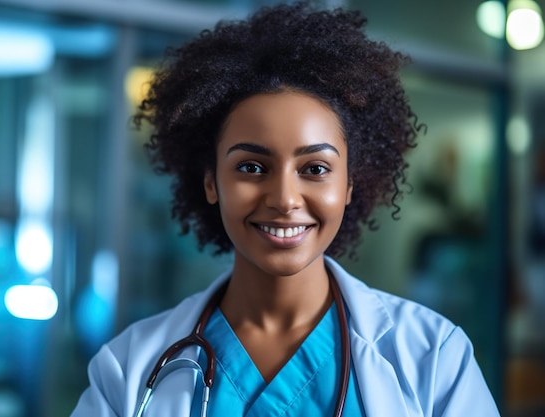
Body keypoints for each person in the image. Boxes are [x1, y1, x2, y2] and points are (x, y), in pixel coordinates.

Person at [70, 2, 500, 416]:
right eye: (252, 167)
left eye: (314, 168)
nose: (285, 198)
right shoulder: (127, 367)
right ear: (210, 181)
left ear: (350, 183)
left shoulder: (435, 356)